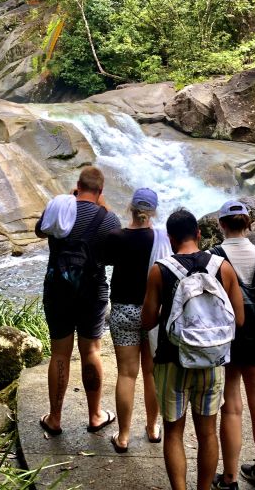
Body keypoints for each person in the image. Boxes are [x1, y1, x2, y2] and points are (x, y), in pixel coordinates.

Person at [142, 209, 245, 490]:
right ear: (199, 234)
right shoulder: (222, 267)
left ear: (170, 238)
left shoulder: (160, 270)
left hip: (172, 362)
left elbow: (148, 320)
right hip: (212, 363)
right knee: (208, 432)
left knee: (174, 433)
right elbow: (240, 319)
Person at [35, 166, 121, 435]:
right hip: (92, 292)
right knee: (91, 351)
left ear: (77, 186)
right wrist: (103, 207)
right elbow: (112, 257)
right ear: (101, 191)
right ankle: (95, 415)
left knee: (59, 352)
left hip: (57, 290)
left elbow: (40, 231)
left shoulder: (59, 209)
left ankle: (55, 418)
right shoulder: (109, 219)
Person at [210, 201, 255, 490]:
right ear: (248, 224)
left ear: (221, 225)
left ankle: (230, 478)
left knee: (232, 405)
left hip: (230, 336)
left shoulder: (213, 257)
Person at [105, 188, 172, 452]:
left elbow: (104, 260)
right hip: (153, 312)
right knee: (152, 372)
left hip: (123, 311)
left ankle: (123, 436)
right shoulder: (162, 238)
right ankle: (153, 428)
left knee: (126, 373)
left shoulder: (116, 236)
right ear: (154, 211)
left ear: (130, 208)